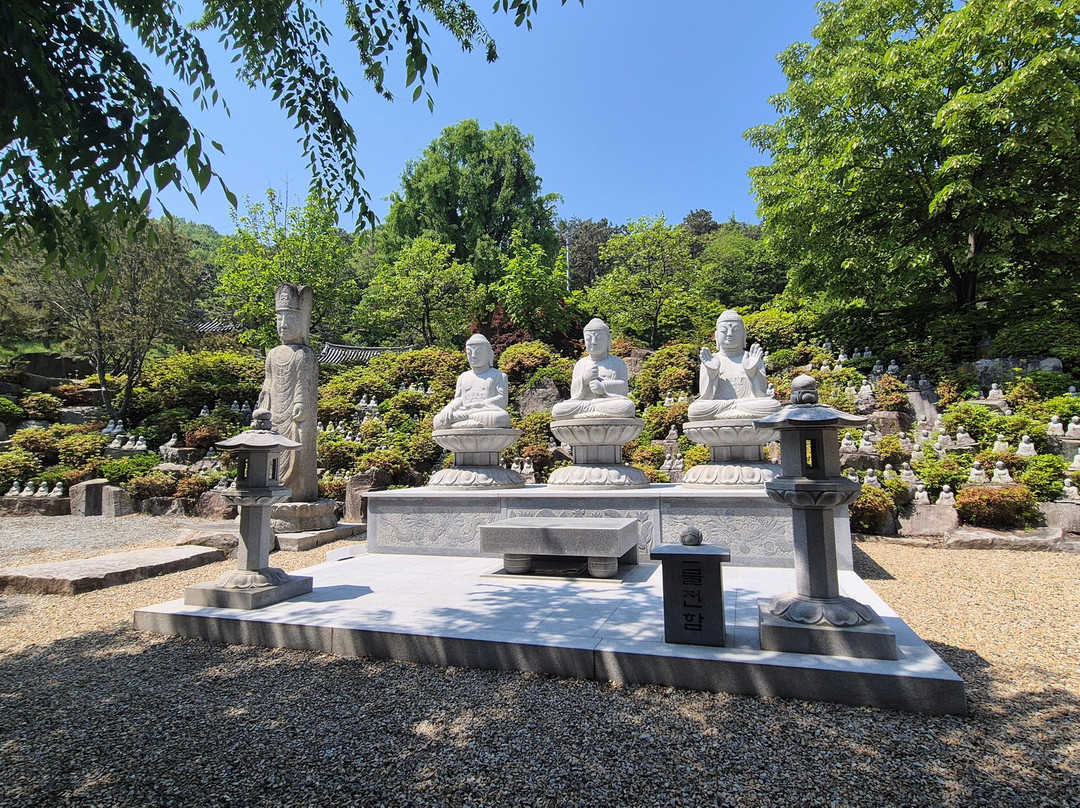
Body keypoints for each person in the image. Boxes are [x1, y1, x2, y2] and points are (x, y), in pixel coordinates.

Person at [258, 283, 318, 502]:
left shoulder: (304, 354)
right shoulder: (272, 354)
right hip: (274, 414)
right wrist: (263, 406)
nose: (283, 325)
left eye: (289, 319)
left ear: (301, 323)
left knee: (297, 452)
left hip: (293, 416)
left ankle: (298, 492)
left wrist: (300, 404)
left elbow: (303, 385)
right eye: (279, 319)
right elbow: (268, 383)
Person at [687, 310, 780, 421]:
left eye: (735, 330)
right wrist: (712, 373)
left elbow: (761, 394)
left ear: (743, 334)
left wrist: (752, 372)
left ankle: (733, 408)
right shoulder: (710, 359)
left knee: (772, 406)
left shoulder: (752, 358)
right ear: (716, 335)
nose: (730, 334)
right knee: (695, 410)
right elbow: (705, 396)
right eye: (724, 331)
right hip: (721, 406)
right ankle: (734, 407)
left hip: (747, 405)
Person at [551, 318, 637, 419]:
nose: (593, 342)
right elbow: (574, 394)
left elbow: (623, 388)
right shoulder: (581, 364)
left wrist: (603, 386)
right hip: (584, 404)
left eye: (599, 338)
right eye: (588, 338)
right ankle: (593, 410)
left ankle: (587, 413)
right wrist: (584, 379)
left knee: (627, 407)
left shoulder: (618, 362)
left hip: (607, 403)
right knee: (558, 409)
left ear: (608, 340)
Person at [433, 334, 512, 430]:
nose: (473, 356)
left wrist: (481, 404)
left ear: (489, 355)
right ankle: (470, 422)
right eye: (469, 353)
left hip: (485, 412)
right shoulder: (463, 377)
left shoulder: (498, 376)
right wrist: (449, 408)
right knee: (439, 420)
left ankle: (465, 423)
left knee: (498, 418)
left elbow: (502, 400)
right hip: (466, 412)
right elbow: (460, 399)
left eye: (478, 352)